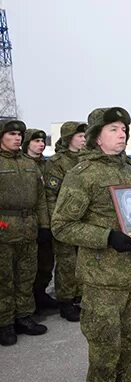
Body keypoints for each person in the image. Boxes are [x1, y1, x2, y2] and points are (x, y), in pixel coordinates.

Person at [51, 107, 131, 382]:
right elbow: (62, 225)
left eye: (123, 129)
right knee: (104, 354)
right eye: (113, 129)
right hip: (102, 281)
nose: (121, 133)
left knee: (128, 347)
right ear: (96, 138)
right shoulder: (83, 174)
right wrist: (107, 236)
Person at [0, 119, 50, 346]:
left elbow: (40, 199)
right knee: (4, 278)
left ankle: (24, 316)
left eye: (20, 134)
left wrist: (44, 226)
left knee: (26, 275)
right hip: (5, 228)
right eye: (12, 134)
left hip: (29, 227)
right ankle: (5, 323)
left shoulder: (29, 164)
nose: (17, 138)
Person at [44, 121, 87, 322]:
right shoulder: (56, 162)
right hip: (66, 219)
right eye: (80, 136)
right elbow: (51, 196)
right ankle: (66, 301)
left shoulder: (87, 160)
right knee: (67, 263)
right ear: (69, 137)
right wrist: (56, 222)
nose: (84, 139)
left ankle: (80, 297)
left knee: (83, 261)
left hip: (85, 220)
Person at [21, 128, 58, 312]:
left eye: (42, 141)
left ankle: (40, 294)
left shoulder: (47, 165)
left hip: (47, 219)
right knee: (27, 265)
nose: (41, 144)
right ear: (27, 143)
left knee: (46, 260)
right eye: (36, 141)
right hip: (25, 220)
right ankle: (26, 302)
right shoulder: (22, 164)